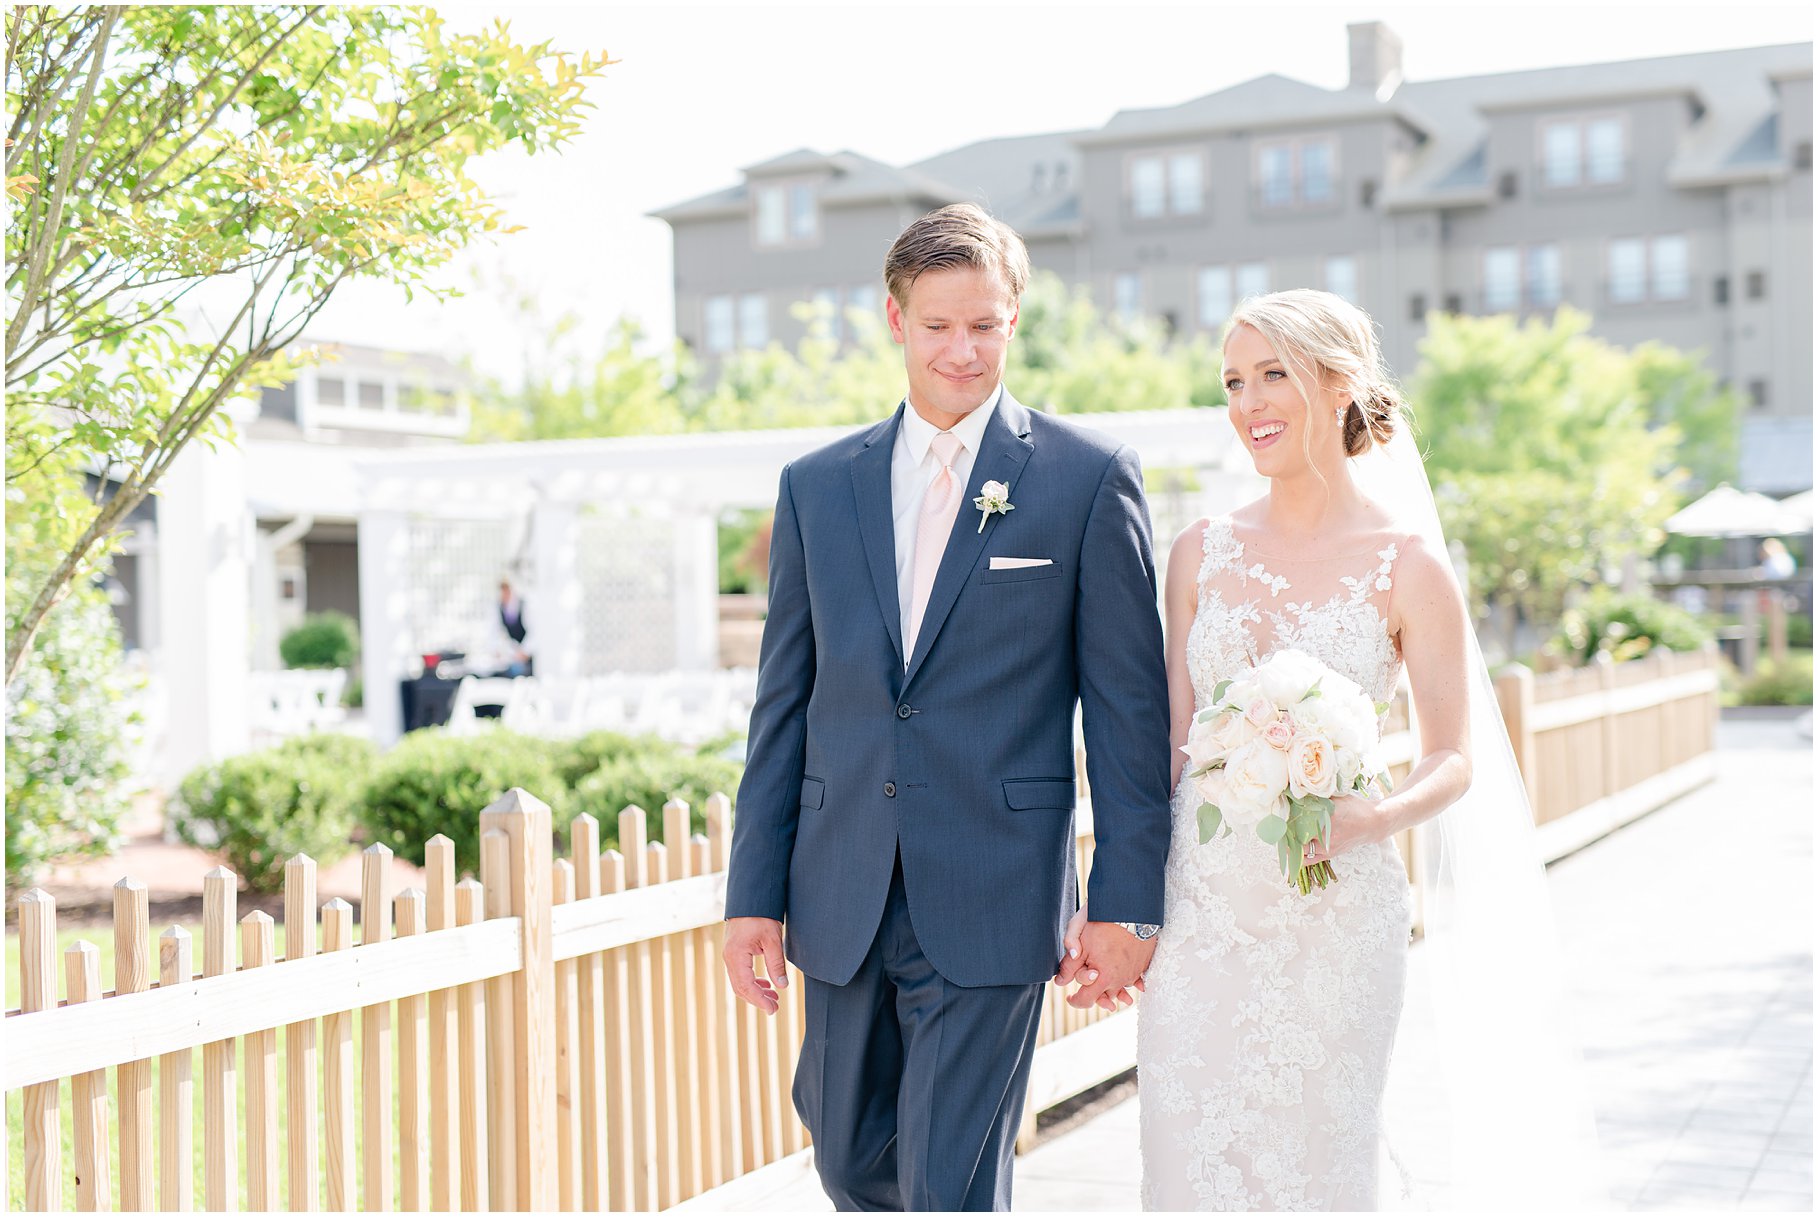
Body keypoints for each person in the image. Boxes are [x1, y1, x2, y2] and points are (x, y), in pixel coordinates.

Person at [721, 203, 1173, 1211]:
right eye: (938, 325)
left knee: (953, 1184)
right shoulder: (815, 488)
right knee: (847, 1164)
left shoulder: (1087, 479)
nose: (961, 350)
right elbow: (783, 703)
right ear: (895, 320)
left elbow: (1128, 711)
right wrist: (752, 891)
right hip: (840, 889)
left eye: (984, 324)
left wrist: (1126, 897)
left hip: (995, 890)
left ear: (1014, 320)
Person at [1110, 289, 1602, 1210]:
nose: (1247, 403)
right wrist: (1125, 910)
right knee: (1187, 1170)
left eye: (1272, 377)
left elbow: (1456, 757)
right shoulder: (1196, 553)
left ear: (1338, 386)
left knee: (1321, 1173)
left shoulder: (1407, 564)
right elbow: (1167, 750)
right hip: (1204, 918)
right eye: (1232, 381)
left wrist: (1369, 814)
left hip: (1337, 918)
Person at [497, 577, 531, 677]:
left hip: (526, 656)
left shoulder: (524, 605)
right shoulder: (499, 607)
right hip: (511, 655)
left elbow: (534, 632)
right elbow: (496, 632)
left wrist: (525, 651)